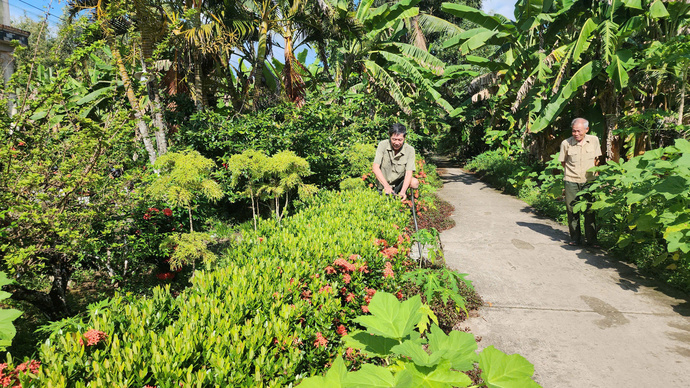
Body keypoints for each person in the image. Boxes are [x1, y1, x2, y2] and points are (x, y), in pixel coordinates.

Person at [559, 118, 602, 247]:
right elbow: (563, 162)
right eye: (573, 131)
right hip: (571, 181)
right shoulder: (566, 143)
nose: (576, 134)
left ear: (586, 130)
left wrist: (595, 175)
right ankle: (575, 238)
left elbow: (597, 159)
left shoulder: (594, 140)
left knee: (590, 211)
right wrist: (571, 173)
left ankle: (592, 240)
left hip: (589, 181)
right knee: (572, 210)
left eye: (579, 131)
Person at [372, 123, 419, 200]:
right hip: (384, 184)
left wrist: (403, 191)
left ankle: (407, 199)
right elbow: (375, 168)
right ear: (390, 137)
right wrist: (386, 186)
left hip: (399, 185)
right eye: (394, 139)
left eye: (400, 140)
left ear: (404, 138)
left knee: (414, 182)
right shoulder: (382, 145)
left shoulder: (410, 150)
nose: (397, 143)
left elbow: (408, 173)